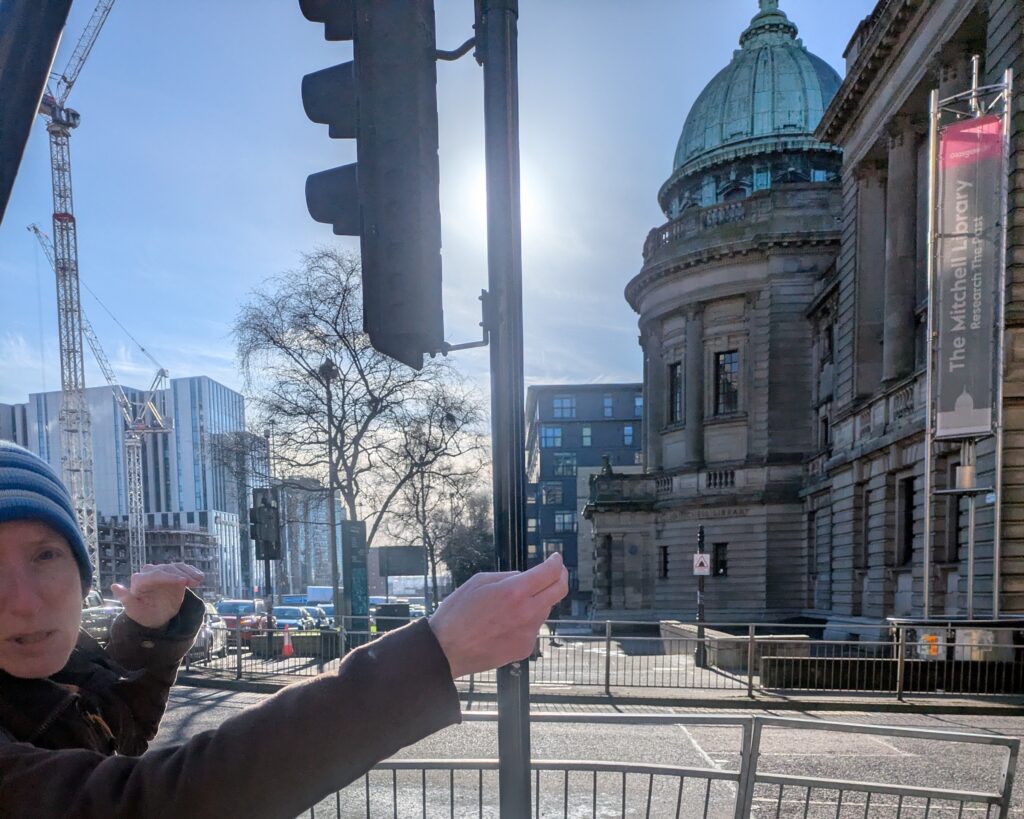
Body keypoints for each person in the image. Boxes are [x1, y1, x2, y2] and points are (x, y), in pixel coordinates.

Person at [0, 440, 567, 817]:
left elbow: (115, 736)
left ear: (80, 564)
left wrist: (149, 632)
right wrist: (432, 654)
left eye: (46, 555)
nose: (23, 601)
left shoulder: (52, 677)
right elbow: (151, 802)